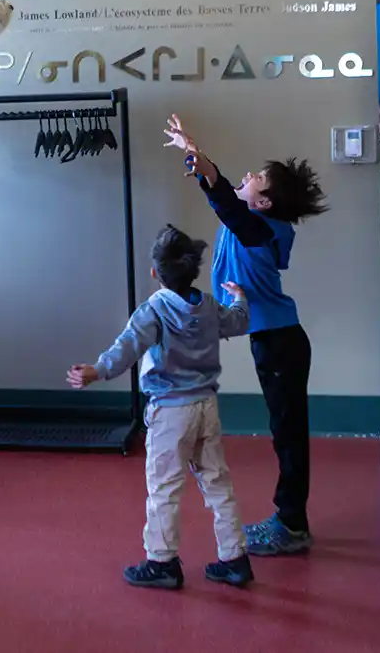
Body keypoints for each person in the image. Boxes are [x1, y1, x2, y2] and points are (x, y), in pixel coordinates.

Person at [163, 114, 327, 557]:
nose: (249, 176)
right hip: (275, 339)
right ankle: (292, 520)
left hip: (279, 342)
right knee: (285, 432)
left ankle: (291, 525)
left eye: (258, 178)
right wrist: (197, 155)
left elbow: (227, 204)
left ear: (265, 203)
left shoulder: (258, 230)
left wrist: (196, 158)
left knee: (288, 435)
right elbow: (229, 196)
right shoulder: (258, 222)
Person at [67, 224, 254, 590]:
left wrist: (96, 370)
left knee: (164, 487)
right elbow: (239, 321)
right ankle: (235, 559)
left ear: (155, 273)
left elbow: (128, 347)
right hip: (207, 407)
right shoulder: (209, 305)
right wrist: (239, 298)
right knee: (218, 483)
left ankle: (162, 561)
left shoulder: (154, 309)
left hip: (171, 413)